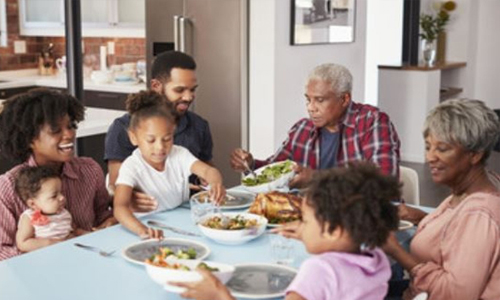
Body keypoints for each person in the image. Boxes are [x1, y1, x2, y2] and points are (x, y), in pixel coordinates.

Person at [170, 163, 400, 300]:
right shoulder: (375, 258)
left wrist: (220, 295)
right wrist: (311, 234)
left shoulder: (319, 270)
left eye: (306, 221)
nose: (301, 225)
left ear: (332, 230)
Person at [383, 99, 500, 300]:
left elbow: (455, 295)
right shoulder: (481, 184)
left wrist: (395, 250)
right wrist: (420, 217)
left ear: (475, 155)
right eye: (428, 147)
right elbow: (455, 230)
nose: (430, 157)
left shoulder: (479, 214)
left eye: (442, 149)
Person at [230, 63, 400, 188]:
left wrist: (316, 178)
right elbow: (273, 170)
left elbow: (384, 182)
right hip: (317, 220)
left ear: (344, 99)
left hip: (367, 219)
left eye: (320, 100)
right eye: (308, 99)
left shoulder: (372, 122)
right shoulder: (302, 130)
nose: (311, 108)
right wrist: (250, 165)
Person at [0, 88, 115, 261]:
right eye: (55, 130)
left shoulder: (90, 170)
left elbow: (103, 216)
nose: (69, 134)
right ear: (30, 139)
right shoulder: (7, 187)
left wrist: (110, 224)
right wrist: (50, 249)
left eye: (70, 126)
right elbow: (2, 251)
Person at [105, 50, 213, 211]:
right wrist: (130, 199)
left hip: (189, 212)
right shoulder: (124, 127)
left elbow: (207, 171)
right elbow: (115, 186)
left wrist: (206, 183)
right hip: (146, 215)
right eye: (179, 90)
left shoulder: (199, 126)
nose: (189, 97)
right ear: (156, 86)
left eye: (192, 90)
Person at [113, 91, 225, 239]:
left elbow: (209, 171)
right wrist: (141, 230)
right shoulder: (132, 166)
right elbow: (120, 207)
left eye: (167, 139)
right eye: (151, 140)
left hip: (180, 222)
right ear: (133, 137)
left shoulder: (179, 154)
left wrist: (216, 184)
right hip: (147, 226)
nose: (160, 147)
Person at [15, 166, 87, 252]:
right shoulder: (29, 217)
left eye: (61, 192)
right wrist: (48, 243)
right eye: (54, 196)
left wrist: (84, 234)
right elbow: (22, 243)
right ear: (33, 204)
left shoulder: (64, 213)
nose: (62, 198)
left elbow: (73, 229)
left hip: (68, 251)